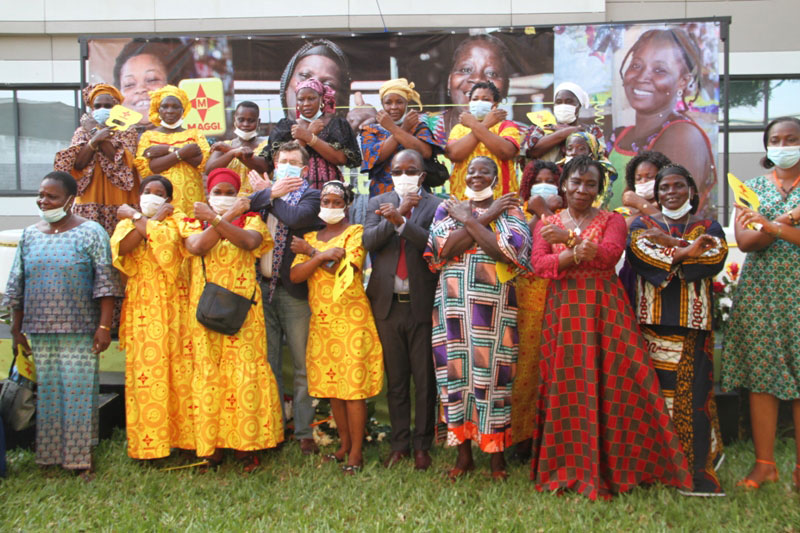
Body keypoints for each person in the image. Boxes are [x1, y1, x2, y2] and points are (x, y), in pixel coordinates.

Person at [530, 155, 692, 500]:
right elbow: (540, 264)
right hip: (564, 310)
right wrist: (576, 250)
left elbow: (606, 255)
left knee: (616, 383)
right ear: (564, 184)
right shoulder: (547, 221)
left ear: (600, 189)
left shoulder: (612, 220)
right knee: (569, 382)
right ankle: (569, 466)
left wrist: (568, 242)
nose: (582, 190)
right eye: (576, 182)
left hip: (605, 307)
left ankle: (625, 466)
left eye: (590, 184)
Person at [3, 171, 121, 479]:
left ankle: (81, 459)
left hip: (80, 328)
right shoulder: (30, 234)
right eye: (41, 195)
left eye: (51, 196)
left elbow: (106, 283)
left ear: (70, 199)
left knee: (79, 393)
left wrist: (104, 327)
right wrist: (16, 330)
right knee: (49, 393)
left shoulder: (90, 232)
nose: (44, 201)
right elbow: (17, 284)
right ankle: (49, 457)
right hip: (38, 330)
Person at [425, 156, 532, 480]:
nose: (476, 176)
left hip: (494, 312)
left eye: (484, 172)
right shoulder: (448, 208)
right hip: (453, 311)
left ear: (495, 178)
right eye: (472, 171)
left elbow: (505, 252)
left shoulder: (511, 210)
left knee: (494, 380)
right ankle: (463, 457)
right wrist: (486, 217)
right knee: (455, 378)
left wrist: (474, 220)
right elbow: (444, 250)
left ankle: (497, 461)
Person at [628, 164, 728, 496]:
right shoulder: (642, 224)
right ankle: (655, 468)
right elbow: (644, 256)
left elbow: (713, 256)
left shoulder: (709, 224)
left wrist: (670, 244)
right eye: (664, 187)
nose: (671, 192)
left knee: (692, 399)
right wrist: (686, 249)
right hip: (650, 322)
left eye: (678, 186)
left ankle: (696, 475)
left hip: (693, 323)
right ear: (656, 193)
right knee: (651, 398)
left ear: (690, 189)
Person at [180, 168, 283, 471]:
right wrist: (220, 219)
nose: (224, 198)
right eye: (218, 192)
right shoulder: (191, 222)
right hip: (205, 310)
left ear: (239, 195)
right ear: (207, 194)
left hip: (244, 312)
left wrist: (220, 219)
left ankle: (246, 445)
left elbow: (250, 243)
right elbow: (197, 246)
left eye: (230, 193)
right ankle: (212, 447)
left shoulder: (251, 220)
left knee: (246, 377)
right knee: (209, 378)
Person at [722, 116, 800, 491]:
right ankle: (764, 464)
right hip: (761, 292)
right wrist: (786, 223)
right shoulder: (750, 188)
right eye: (776, 139)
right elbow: (746, 241)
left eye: (791, 139)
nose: (783, 145)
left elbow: (763, 232)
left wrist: (770, 226)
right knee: (761, 379)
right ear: (766, 146)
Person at [290, 181, 383, 474]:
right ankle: (343, 445)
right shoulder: (309, 237)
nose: (330, 206)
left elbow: (341, 270)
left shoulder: (355, 234)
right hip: (322, 321)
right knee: (333, 387)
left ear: (347, 204)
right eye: (326, 201)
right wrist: (318, 254)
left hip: (351, 318)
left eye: (336, 201)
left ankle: (356, 452)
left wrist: (311, 253)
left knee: (353, 388)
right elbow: (295, 275)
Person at [363, 149, 442, 471]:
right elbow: (369, 241)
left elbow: (436, 245)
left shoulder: (437, 206)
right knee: (396, 381)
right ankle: (400, 445)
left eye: (411, 170)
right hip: (388, 306)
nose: (404, 176)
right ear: (390, 174)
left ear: (422, 176)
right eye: (398, 171)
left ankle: (423, 446)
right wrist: (394, 217)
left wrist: (403, 222)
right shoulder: (375, 203)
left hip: (422, 305)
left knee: (424, 381)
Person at [248, 141, 323, 456]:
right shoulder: (263, 196)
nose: (288, 165)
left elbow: (294, 218)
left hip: (294, 293)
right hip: (261, 289)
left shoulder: (312, 195)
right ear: (275, 166)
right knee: (269, 363)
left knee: (302, 365)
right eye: (282, 161)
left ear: (304, 169)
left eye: (294, 161)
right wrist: (268, 194)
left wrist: (271, 194)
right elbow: (246, 208)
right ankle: (274, 427)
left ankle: (305, 432)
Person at [110, 175, 193, 459]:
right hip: (143, 307)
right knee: (147, 373)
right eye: (147, 191)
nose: (152, 195)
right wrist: (141, 219)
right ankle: (150, 445)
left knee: (180, 372)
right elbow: (124, 247)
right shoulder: (126, 224)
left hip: (175, 303)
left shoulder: (178, 220)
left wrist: (141, 217)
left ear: (169, 200)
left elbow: (168, 251)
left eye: (159, 193)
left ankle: (184, 440)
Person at [608, 28, 715, 213]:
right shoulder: (620, 135)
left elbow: (676, 213)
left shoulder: (682, 136)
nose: (642, 77)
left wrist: (635, 203)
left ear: (683, 81)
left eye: (659, 70)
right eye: (636, 65)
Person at [511, 159, 561, 461]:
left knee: (554, 369)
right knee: (525, 371)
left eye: (550, 179)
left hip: (557, 297)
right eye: (538, 179)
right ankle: (522, 439)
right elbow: (520, 248)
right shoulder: (517, 211)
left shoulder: (570, 214)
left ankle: (552, 439)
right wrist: (538, 212)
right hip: (526, 299)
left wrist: (549, 212)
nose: (544, 183)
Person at [53, 83, 140, 236]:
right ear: (91, 109)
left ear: (117, 107)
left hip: (119, 195)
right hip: (90, 195)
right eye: (97, 106)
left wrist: (94, 131)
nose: (102, 109)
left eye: (108, 105)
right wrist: (94, 139)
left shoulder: (127, 131)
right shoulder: (81, 132)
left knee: (120, 242)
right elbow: (78, 164)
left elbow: (118, 159)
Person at [262, 78, 361, 190]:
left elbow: (341, 159)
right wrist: (307, 135)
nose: (306, 104)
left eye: (311, 98)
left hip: (328, 189)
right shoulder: (285, 126)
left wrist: (309, 137)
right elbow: (279, 159)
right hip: (292, 186)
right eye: (301, 99)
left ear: (321, 99)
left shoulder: (336, 124)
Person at [426, 34, 512, 147]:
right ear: (449, 81)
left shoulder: (520, 134)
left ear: (506, 87)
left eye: (491, 73)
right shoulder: (422, 127)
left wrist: (477, 126)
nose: (477, 79)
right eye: (466, 69)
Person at [135, 85, 210, 216]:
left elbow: (202, 163)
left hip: (191, 200)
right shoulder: (149, 136)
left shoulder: (195, 134)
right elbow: (151, 168)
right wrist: (181, 152)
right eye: (165, 106)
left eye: (175, 107)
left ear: (183, 110)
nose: (170, 111)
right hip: (160, 199)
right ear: (158, 109)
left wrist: (164, 150)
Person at [359, 79, 439, 197]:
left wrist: (395, 128)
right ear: (382, 104)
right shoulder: (371, 130)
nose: (394, 107)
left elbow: (425, 153)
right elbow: (375, 157)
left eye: (399, 102)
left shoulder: (418, 127)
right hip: (382, 194)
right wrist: (402, 129)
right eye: (388, 102)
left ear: (406, 103)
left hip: (416, 194)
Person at [445, 81, 520, 200]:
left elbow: (506, 152)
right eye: (475, 99)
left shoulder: (506, 126)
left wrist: (474, 124)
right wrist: (484, 125)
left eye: (485, 99)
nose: (479, 102)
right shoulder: (459, 128)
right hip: (464, 200)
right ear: (469, 103)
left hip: (500, 199)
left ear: (494, 104)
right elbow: (454, 154)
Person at [113, 38, 197, 122]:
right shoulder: (110, 133)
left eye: (152, 80)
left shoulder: (191, 133)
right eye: (129, 84)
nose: (140, 89)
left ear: (174, 85)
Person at [523, 81, 604, 162]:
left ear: (579, 105)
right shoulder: (543, 128)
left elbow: (600, 158)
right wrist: (567, 132)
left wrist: (575, 132)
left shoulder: (592, 131)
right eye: (558, 102)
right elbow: (531, 152)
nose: (563, 105)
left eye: (569, 101)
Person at [206, 101, 269, 196]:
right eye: (241, 120)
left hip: (258, 201)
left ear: (258, 122)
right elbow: (209, 170)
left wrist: (231, 151)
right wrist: (233, 152)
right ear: (235, 120)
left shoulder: (266, 145)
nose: (246, 124)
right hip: (228, 201)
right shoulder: (223, 145)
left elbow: (263, 167)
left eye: (251, 120)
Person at [279, 39, 352, 121]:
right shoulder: (274, 133)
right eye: (304, 76)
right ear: (286, 87)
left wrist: (366, 130)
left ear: (339, 102)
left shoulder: (349, 132)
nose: (313, 88)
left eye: (328, 84)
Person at [558, 131, 618, 208]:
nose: (573, 152)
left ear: (592, 152)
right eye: (570, 149)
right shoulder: (559, 168)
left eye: (581, 149)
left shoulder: (602, 171)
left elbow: (599, 202)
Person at [620, 150, 672, 227]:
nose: (643, 181)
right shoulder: (624, 212)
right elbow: (621, 229)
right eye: (638, 178)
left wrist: (641, 204)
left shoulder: (672, 206)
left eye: (649, 177)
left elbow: (669, 228)